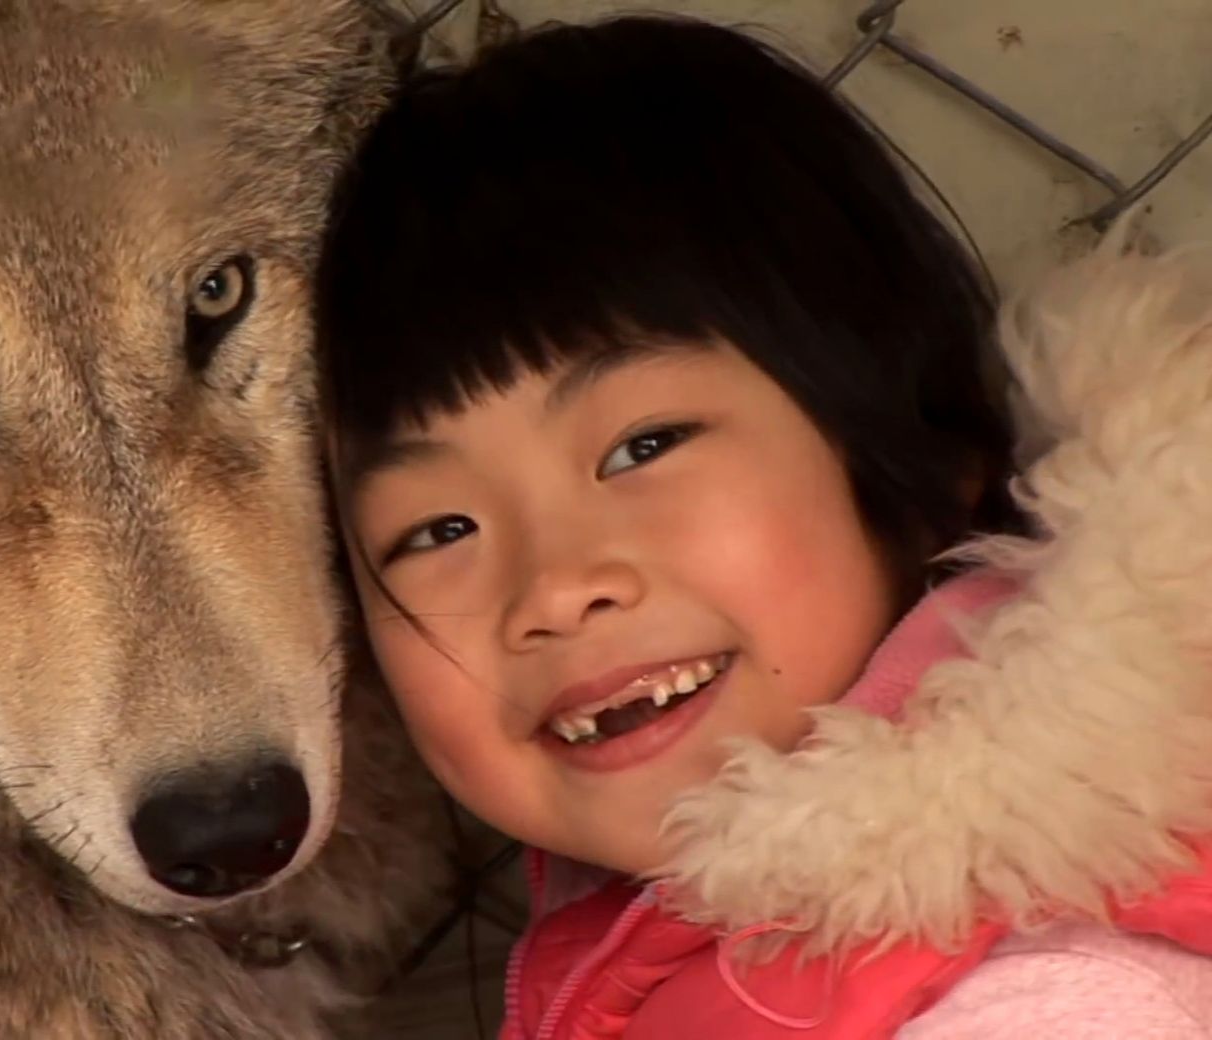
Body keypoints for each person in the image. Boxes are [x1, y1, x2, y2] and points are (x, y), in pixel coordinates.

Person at [316, 14, 1212, 1037]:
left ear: (919, 462)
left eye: (641, 447)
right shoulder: (679, 952)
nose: (554, 586)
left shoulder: (1051, 1000)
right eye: (434, 529)